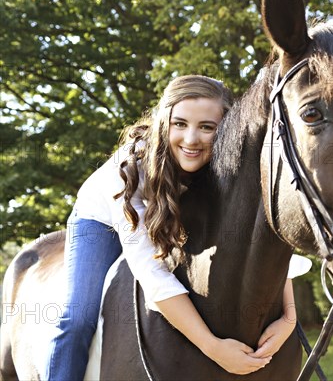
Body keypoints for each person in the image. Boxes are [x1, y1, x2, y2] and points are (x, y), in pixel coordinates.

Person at [43, 75, 299, 380]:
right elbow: (152, 275)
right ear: (165, 123)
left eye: (207, 127)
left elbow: (256, 242)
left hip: (170, 214)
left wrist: (289, 316)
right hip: (103, 220)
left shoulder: (229, 165)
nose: (191, 140)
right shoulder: (129, 169)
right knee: (78, 318)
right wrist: (213, 348)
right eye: (180, 124)